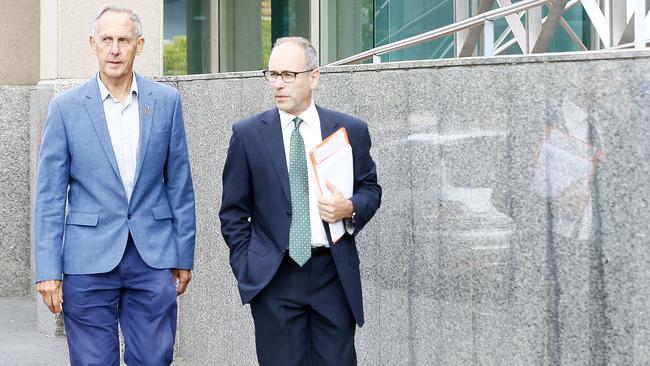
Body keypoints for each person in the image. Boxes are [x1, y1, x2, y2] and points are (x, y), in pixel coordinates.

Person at [34, 6, 196, 365]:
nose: (115, 49)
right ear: (93, 43)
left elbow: (180, 186)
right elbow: (49, 195)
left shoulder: (166, 103)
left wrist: (183, 255)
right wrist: (47, 269)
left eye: (124, 40)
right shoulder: (66, 108)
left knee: (155, 359)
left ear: (139, 44)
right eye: (106, 40)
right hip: (87, 259)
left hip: (152, 257)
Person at [219, 36, 381, 366]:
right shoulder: (248, 135)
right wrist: (247, 263)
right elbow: (233, 211)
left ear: (314, 76)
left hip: (332, 274)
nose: (278, 84)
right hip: (275, 276)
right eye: (272, 74)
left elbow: (370, 190)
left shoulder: (349, 130)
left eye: (288, 75)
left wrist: (349, 207)